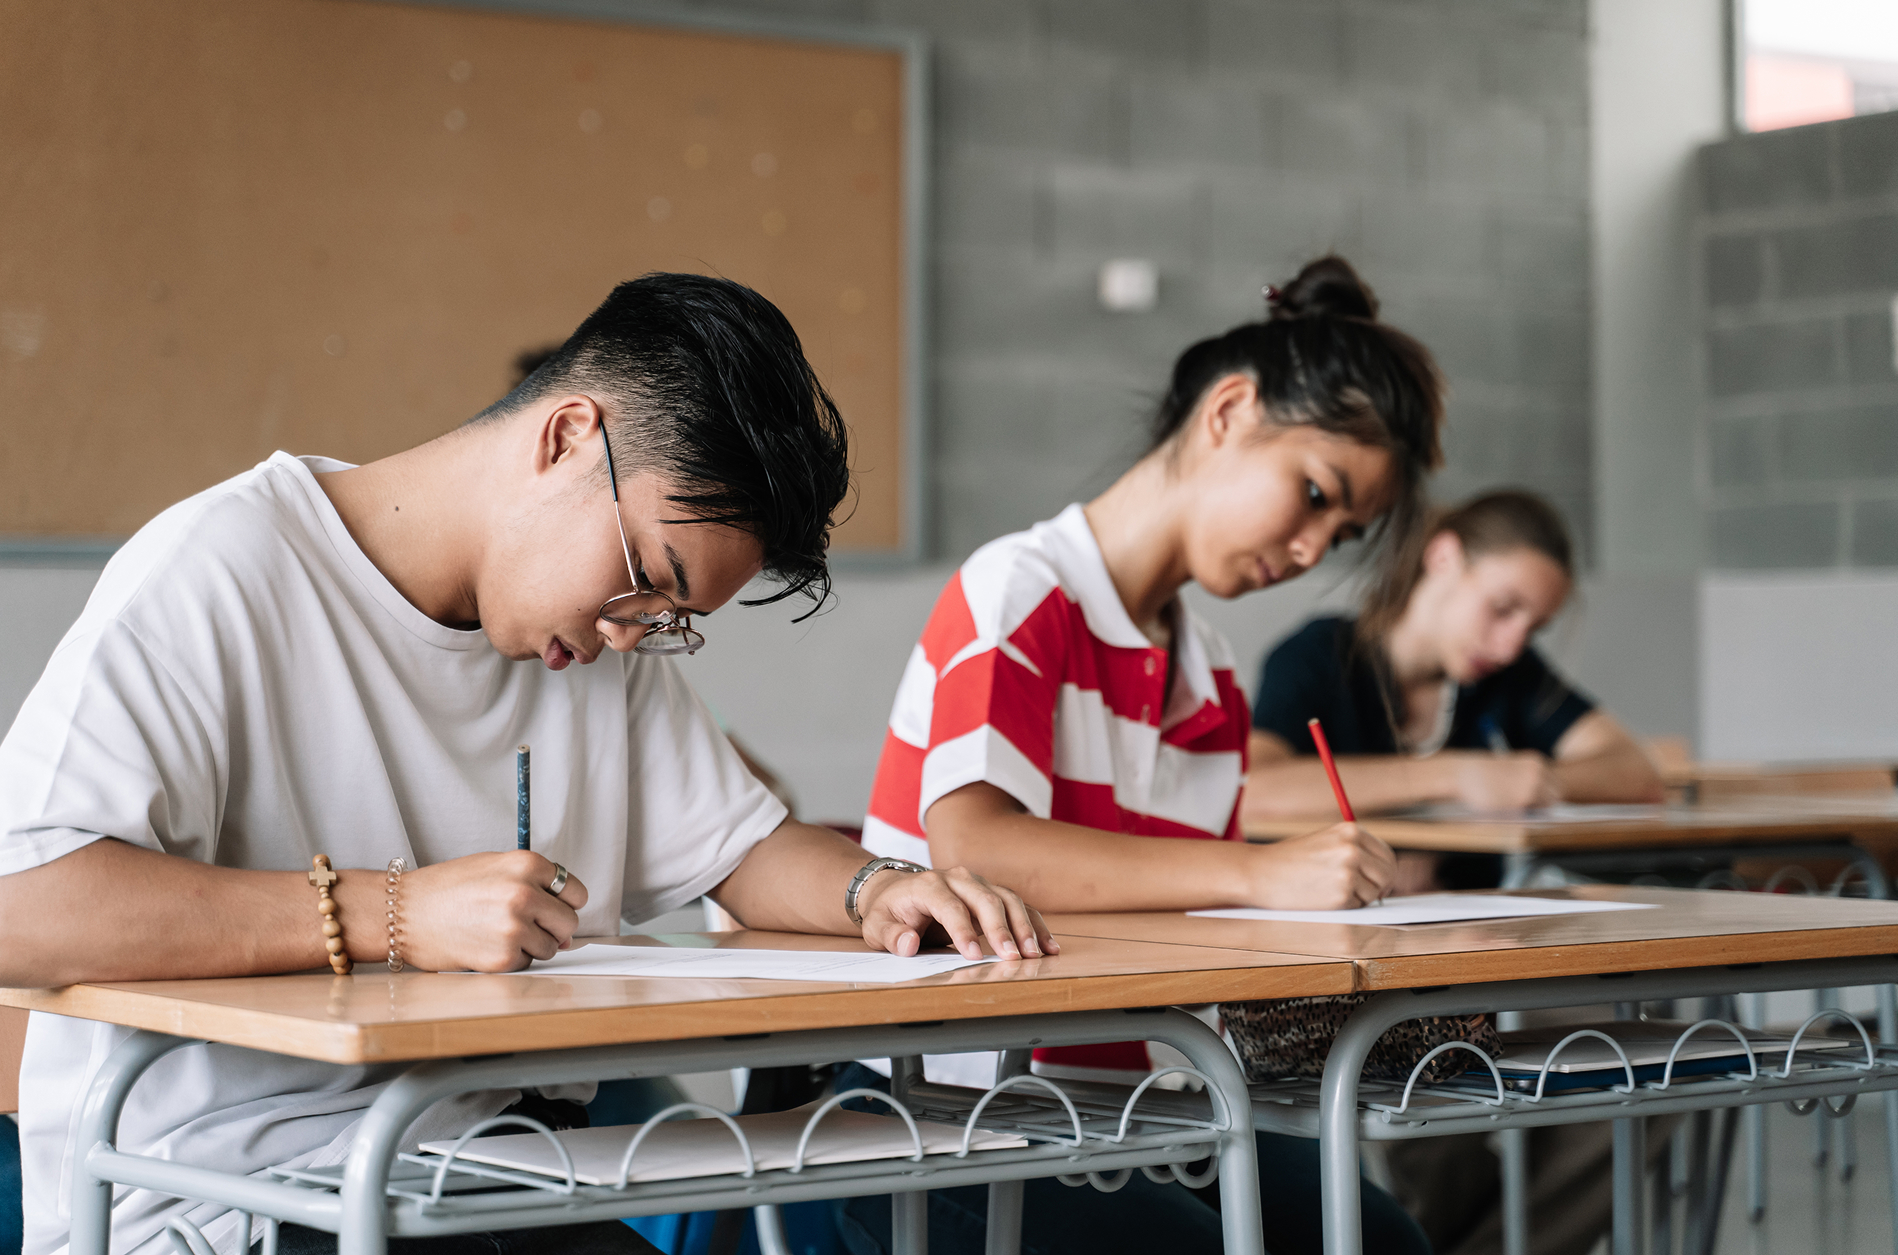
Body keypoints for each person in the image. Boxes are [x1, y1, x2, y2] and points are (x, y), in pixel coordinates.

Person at [0, 273, 1051, 1255]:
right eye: (651, 579)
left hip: (480, 1173)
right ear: (565, 436)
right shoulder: (222, 573)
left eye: (674, 618)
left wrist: (878, 888)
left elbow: (743, 849)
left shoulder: (595, 645)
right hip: (223, 1203)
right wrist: (394, 915)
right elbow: (21, 908)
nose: (637, 632)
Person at [848, 257, 1447, 1255]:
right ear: (1227, 411)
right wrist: (1262, 872)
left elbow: (1185, 928)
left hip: (1135, 1102)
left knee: (1381, 1238)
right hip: (940, 1103)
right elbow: (978, 851)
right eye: (1311, 493)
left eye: (1338, 534)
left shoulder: (1208, 673)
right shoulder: (1018, 588)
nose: (1308, 550)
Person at [1243, 489, 1663, 887]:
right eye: (1502, 608)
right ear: (1444, 557)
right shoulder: (1316, 656)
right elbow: (1252, 790)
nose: (1511, 646)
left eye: (1533, 629)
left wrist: (1536, 780)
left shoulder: (1509, 674)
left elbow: (1636, 773)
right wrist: (1457, 777)